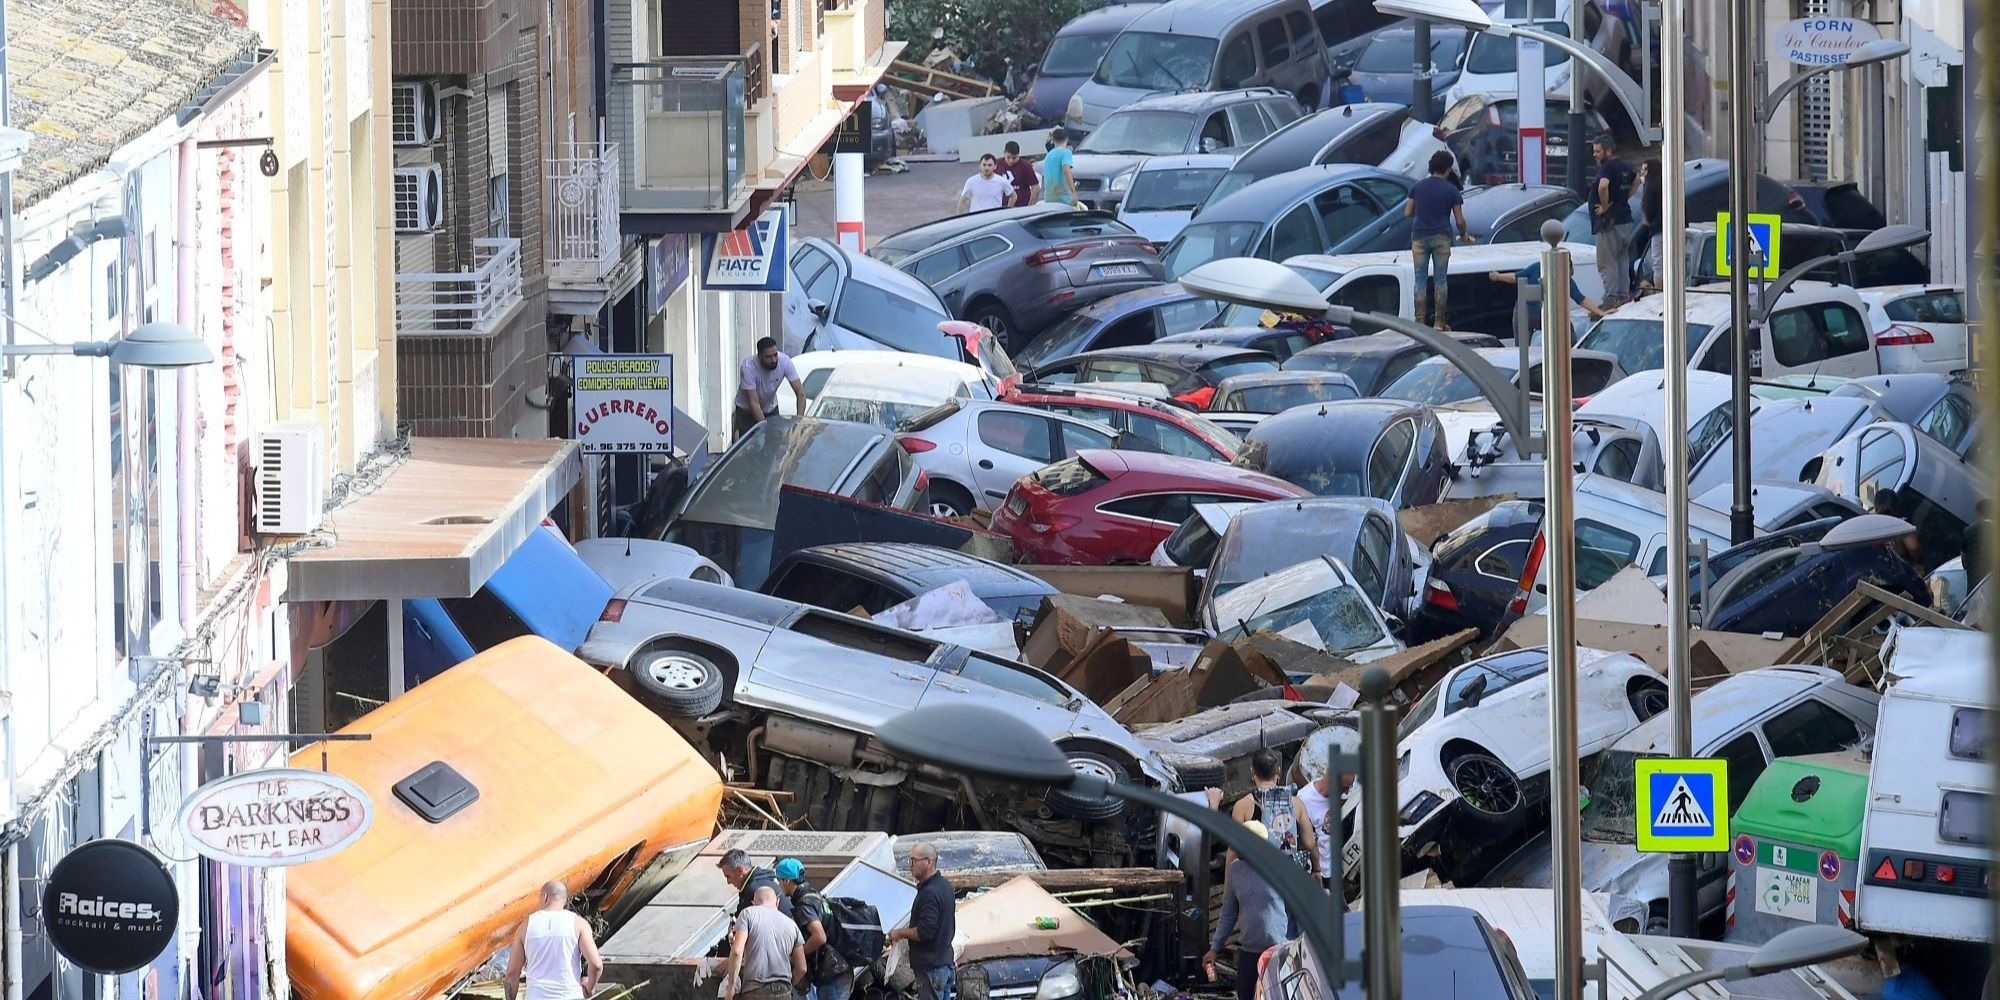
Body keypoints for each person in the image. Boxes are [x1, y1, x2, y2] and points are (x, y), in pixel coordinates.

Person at [1202, 821, 1291, 1000]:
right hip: (1249, 954)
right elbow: (1228, 913)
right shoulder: (1236, 870)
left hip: (1277, 952)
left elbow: (1297, 908)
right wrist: (1214, 948)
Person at [1405, 150, 1473, 330]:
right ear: (1448, 169)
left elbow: (1407, 212)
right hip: (1442, 237)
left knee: (1420, 279)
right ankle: (1439, 322)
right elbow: (1460, 220)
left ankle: (1419, 321)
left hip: (1419, 236)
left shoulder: (1417, 187)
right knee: (1440, 279)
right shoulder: (1452, 190)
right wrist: (1464, 234)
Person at [503, 880, 603, 1000]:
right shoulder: (578, 924)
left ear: (545, 897)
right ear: (564, 900)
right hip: (570, 996)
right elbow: (596, 965)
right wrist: (590, 988)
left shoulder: (525, 926)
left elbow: (512, 973)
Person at [1229, 749, 1319, 880]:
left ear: (1252, 772)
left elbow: (1234, 852)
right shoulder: (1296, 803)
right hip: (1290, 879)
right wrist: (1317, 869)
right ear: (1278, 772)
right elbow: (1310, 843)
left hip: (1260, 880)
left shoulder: (1243, 806)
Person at [776, 858, 853, 1000]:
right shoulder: (815, 895)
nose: (779, 885)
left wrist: (797, 955)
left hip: (832, 974)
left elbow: (819, 936)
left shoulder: (804, 904)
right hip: (838, 969)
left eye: (779, 880)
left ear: (787, 881)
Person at [887, 841, 955, 1000]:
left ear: (929, 861)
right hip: (944, 964)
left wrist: (899, 932)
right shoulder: (944, 886)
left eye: (913, 860)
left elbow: (925, 933)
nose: (910, 865)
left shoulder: (930, 893)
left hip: (932, 969)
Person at [728, 885, 807, 1000]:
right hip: (783, 990)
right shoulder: (791, 924)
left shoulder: (748, 914)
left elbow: (736, 952)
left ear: (753, 902)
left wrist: (731, 988)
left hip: (755, 989)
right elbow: (802, 967)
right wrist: (788, 985)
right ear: (777, 902)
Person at [1487, 260, 1608, 328]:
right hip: (1539, 315)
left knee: (1522, 350)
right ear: (1568, 266)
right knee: (1568, 333)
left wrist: (1498, 276)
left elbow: (1516, 277)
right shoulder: (1564, 277)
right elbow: (1581, 299)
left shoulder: (1538, 266)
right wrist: (1600, 312)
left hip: (1525, 313)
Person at [1590, 136, 1638, 307]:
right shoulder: (1624, 167)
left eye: (1598, 151)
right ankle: (1623, 297)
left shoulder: (1607, 167)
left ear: (1608, 151)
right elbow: (1637, 180)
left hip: (1608, 223)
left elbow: (1603, 186)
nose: (1594, 154)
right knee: (1622, 260)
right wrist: (1623, 198)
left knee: (1607, 262)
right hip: (1625, 220)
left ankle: (1610, 299)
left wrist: (1604, 207)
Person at [1297, 758, 1356, 891]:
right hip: (1318, 876)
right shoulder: (1304, 800)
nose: (1346, 792)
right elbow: (1305, 843)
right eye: (1345, 787)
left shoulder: (1335, 798)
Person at [736, 337, 806, 441]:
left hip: (770, 409)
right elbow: (754, 403)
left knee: (774, 446)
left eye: (775, 355)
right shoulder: (748, 367)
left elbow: (800, 393)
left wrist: (798, 422)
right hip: (747, 412)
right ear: (759, 356)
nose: (773, 360)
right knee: (748, 447)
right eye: (768, 357)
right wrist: (767, 429)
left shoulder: (785, 361)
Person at [720, 848, 795, 917]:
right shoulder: (764, 876)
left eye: (728, 876)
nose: (728, 882)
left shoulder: (753, 891)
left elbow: (741, 922)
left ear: (740, 871)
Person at [1636, 158, 1664, 294]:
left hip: (1658, 227)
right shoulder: (1667, 181)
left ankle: (1660, 293)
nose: (1642, 173)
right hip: (1675, 227)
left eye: (1644, 170)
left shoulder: (1650, 185)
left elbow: (1648, 208)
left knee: (1658, 262)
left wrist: (1647, 219)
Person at [1041, 127, 1078, 208]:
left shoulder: (1048, 155)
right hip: (1063, 197)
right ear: (1067, 139)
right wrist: (1073, 192)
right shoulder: (1066, 153)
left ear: (1053, 140)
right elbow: (1066, 170)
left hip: (1049, 197)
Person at [999, 141, 1040, 208]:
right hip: (1002, 206)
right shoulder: (998, 164)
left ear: (1018, 155)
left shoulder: (1025, 166)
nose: (1011, 161)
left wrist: (1030, 206)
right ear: (1004, 154)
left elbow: (1035, 188)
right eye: (1008, 157)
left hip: (1022, 206)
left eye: (1014, 158)